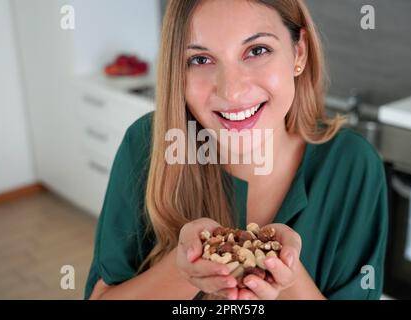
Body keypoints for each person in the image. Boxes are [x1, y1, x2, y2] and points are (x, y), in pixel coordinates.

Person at [85, 0, 388, 300]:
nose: (231, 91)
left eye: (257, 51)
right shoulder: (148, 143)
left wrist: (284, 272)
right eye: (201, 59)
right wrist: (190, 263)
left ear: (299, 52)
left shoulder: (352, 164)